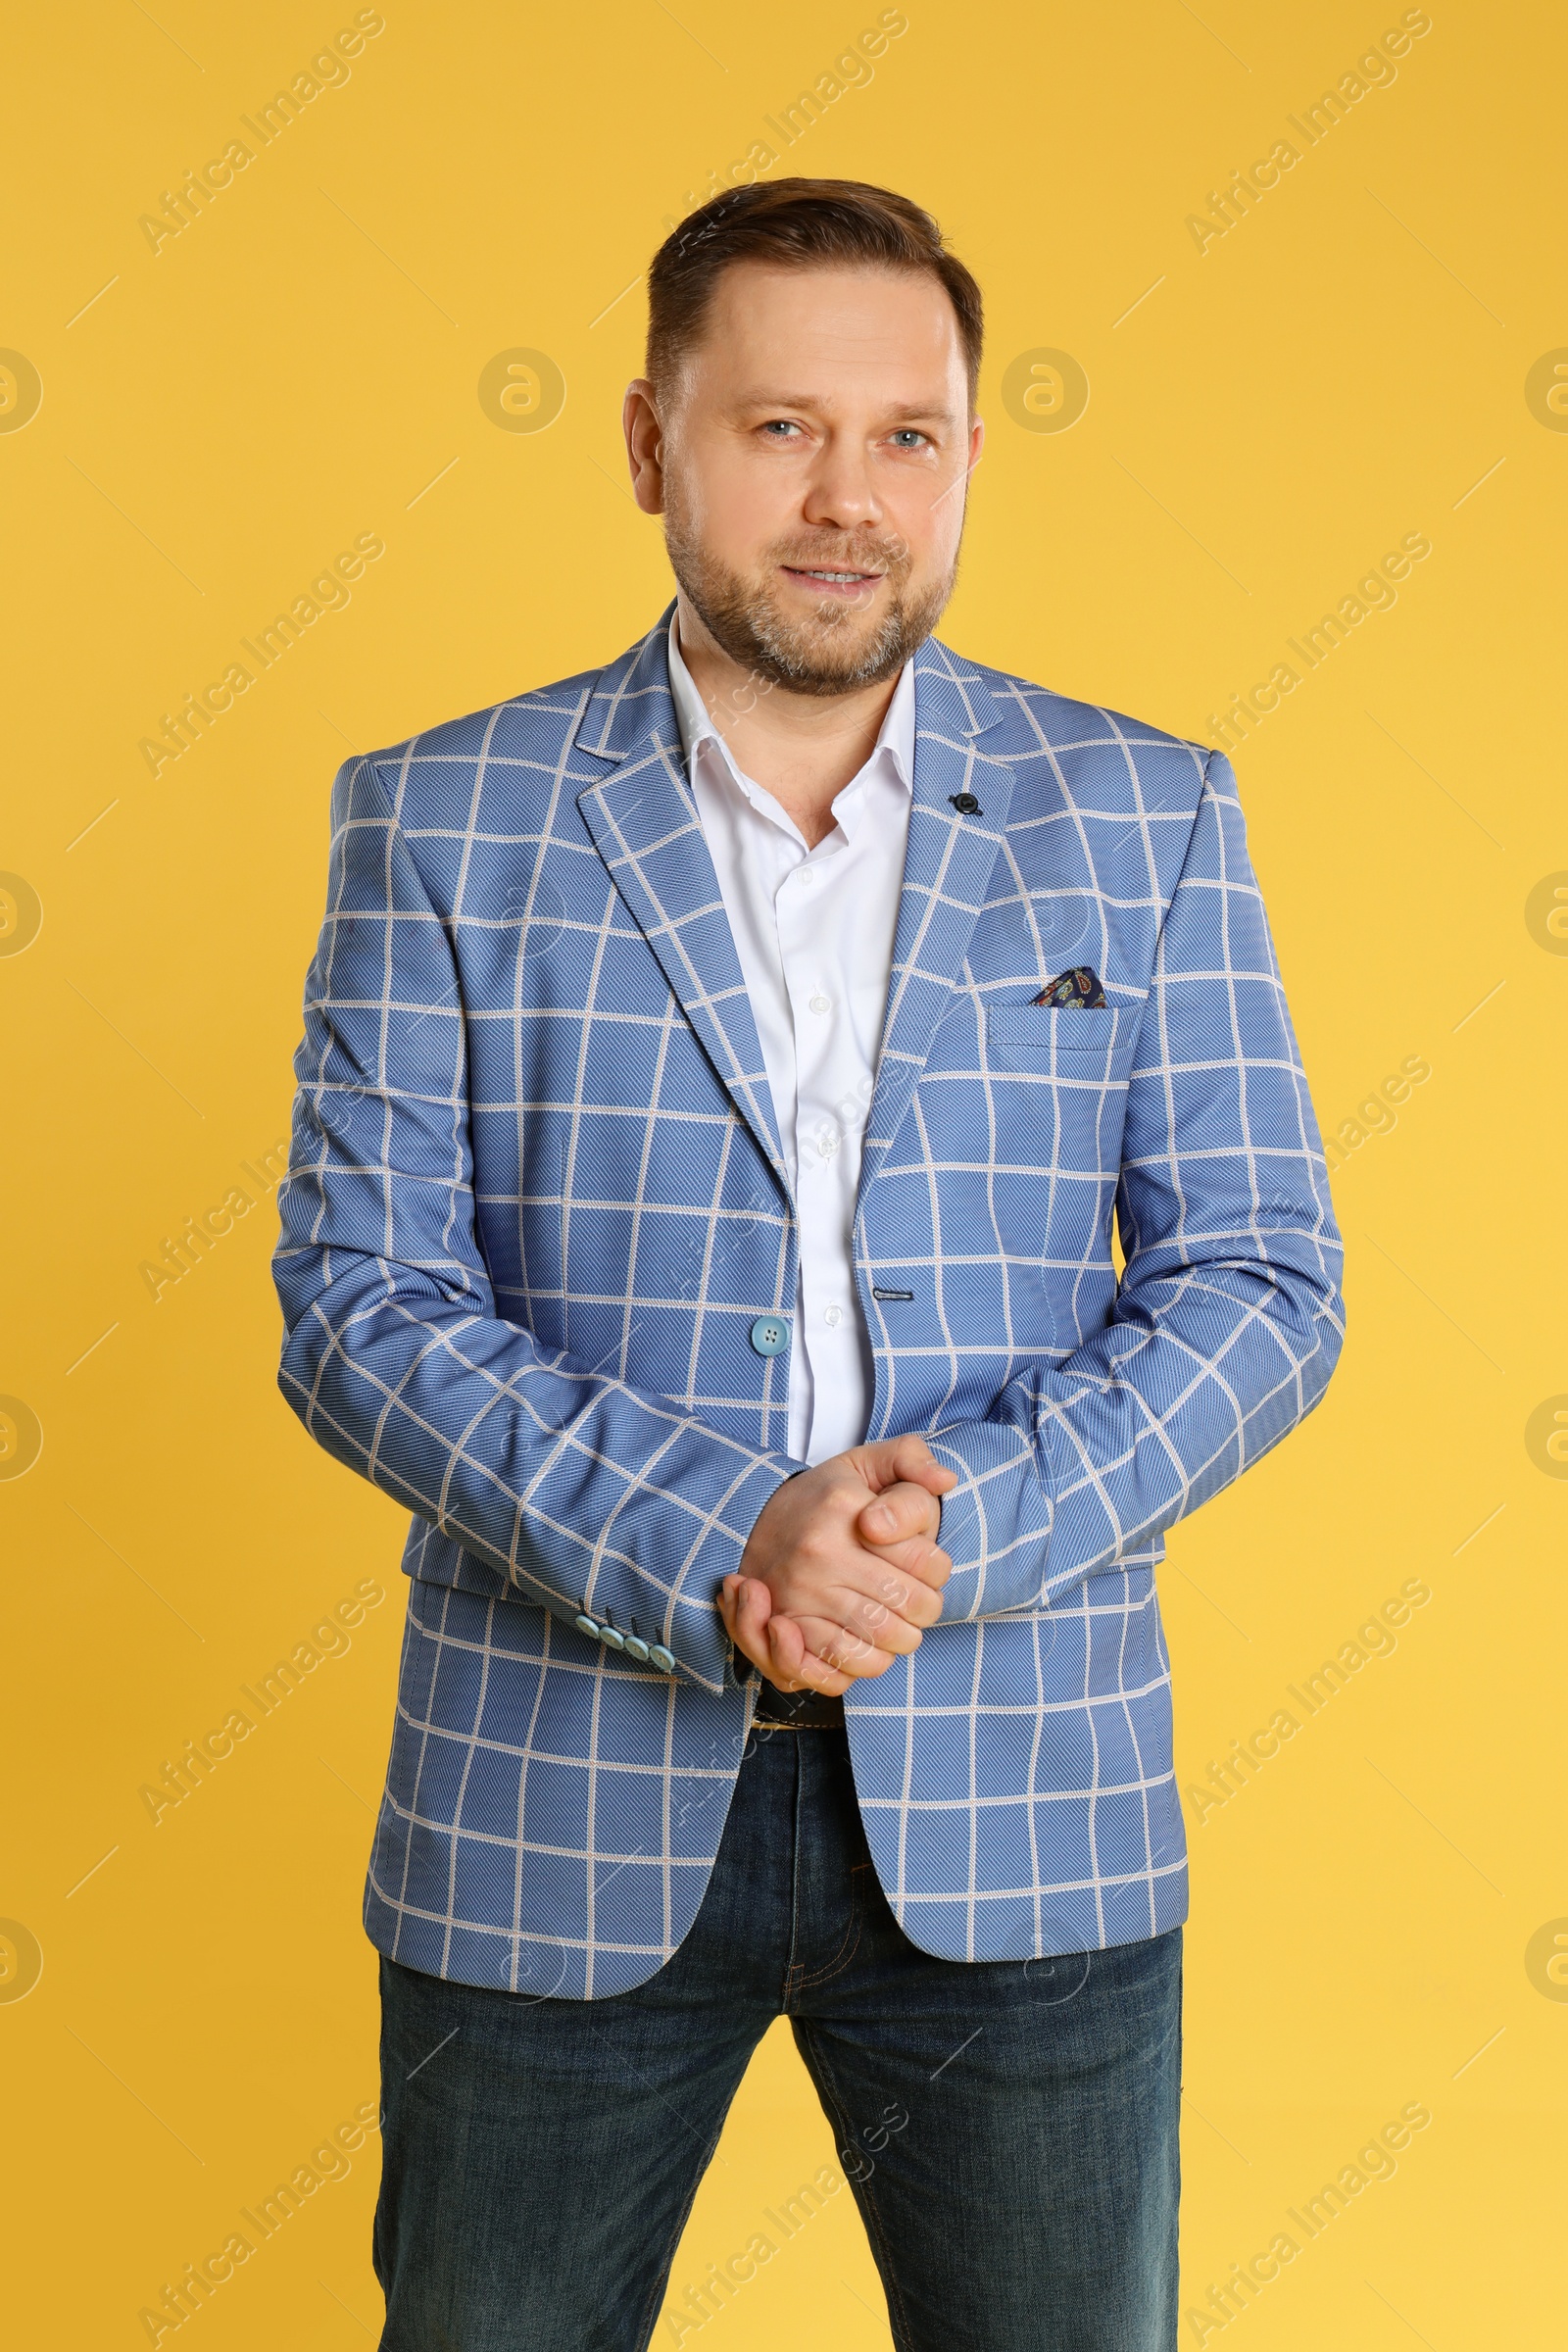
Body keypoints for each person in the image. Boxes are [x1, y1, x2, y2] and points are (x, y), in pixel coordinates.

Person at [272, 177, 1345, 2352]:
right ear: (653, 444)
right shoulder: (441, 816)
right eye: (777, 431)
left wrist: (944, 1530)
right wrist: (726, 1536)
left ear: (962, 455)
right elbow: (359, 1302)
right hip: (551, 1809)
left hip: (1022, 1798)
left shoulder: (1141, 815)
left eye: (907, 435)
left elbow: (1259, 1276)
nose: (847, 498)